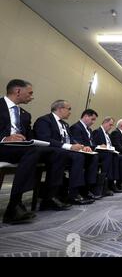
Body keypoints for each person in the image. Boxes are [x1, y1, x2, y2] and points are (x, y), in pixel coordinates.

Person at [1, 80, 70, 224]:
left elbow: (29, 135)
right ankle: (14, 205)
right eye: (30, 92)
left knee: (59, 153)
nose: (32, 96)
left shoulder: (25, 114)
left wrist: (34, 141)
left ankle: (49, 197)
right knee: (32, 151)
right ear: (18, 91)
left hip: (21, 148)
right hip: (2, 146)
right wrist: (5, 138)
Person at [33, 100, 97, 205]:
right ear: (60, 109)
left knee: (89, 156)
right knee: (78, 157)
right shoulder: (44, 120)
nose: (70, 112)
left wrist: (82, 146)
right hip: (51, 152)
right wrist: (69, 146)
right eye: (69, 109)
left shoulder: (65, 125)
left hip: (65, 151)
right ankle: (72, 193)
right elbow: (44, 139)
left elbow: (71, 140)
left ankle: (83, 190)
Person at [92, 117, 122, 194]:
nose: (111, 127)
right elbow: (94, 144)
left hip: (108, 153)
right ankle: (107, 184)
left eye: (112, 125)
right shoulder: (97, 131)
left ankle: (113, 182)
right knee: (113, 157)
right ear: (104, 122)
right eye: (110, 125)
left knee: (116, 157)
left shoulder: (107, 134)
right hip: (101, 154)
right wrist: (100, 145)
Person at [69, 109, 104, 200]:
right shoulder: (76, 127)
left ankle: (88, 187)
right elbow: (77, 142)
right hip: (78, 153)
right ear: (85, 116)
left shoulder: (89, 130)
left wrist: (99, 146)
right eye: (92, 119)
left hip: (88, 153)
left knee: (96, 157)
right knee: (92, 158)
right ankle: (80, 190)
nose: (93, 122)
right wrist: (84, 147)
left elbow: (92, 144)